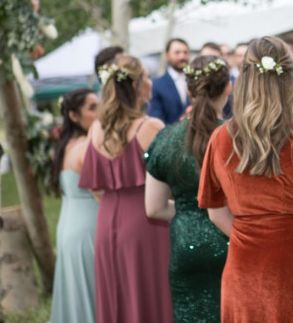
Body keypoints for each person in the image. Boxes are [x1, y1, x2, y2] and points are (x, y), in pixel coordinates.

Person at [198, 37, 293, 323]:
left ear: (244, 78)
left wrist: (251, 238)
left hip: (245, 261)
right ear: (289, 79)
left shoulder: (220, 138)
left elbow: (216, 212)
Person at [78, 55, 172, 323]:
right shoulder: (150, 127)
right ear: (137, 85)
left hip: (106, 223)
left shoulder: (96, 128)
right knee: (150, 295)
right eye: (148, 77)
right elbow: (172, 184)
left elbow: (95, 190)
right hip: (146, 222)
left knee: (118, 297)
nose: (151, 83)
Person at [145, 55, 231, 322]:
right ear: (228, 88)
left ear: (188, 90)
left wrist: (187, 211)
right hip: (231, 238)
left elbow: (154, 208)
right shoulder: (236, 136)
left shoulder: (166, 138)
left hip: (185, 243)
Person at [49, 89, 99, 323]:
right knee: (93, 291)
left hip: (66, 229)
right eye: (92, 108)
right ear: (74, 115)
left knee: (78, 293)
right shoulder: (89, 148)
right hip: (89, 230)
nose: (99, 113)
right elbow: (101, 195)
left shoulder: (62, 146)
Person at [149, 38, 191, 124]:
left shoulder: (196, 80)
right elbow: (156, 118)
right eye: (177, 52)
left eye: (185, 52)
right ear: (167, 56)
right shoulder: (157, 85)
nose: (182, 57)